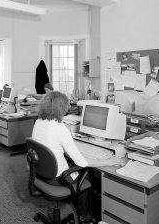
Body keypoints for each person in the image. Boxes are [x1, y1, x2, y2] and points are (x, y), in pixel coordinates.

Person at [31, 91, 124, 224]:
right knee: (86, 175)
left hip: (41, 173)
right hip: (57, 178)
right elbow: (82, 162)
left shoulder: (39, 122)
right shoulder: (60, 128)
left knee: (75, 165)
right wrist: (109, 161)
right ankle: (85, 217)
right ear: (61, 108)